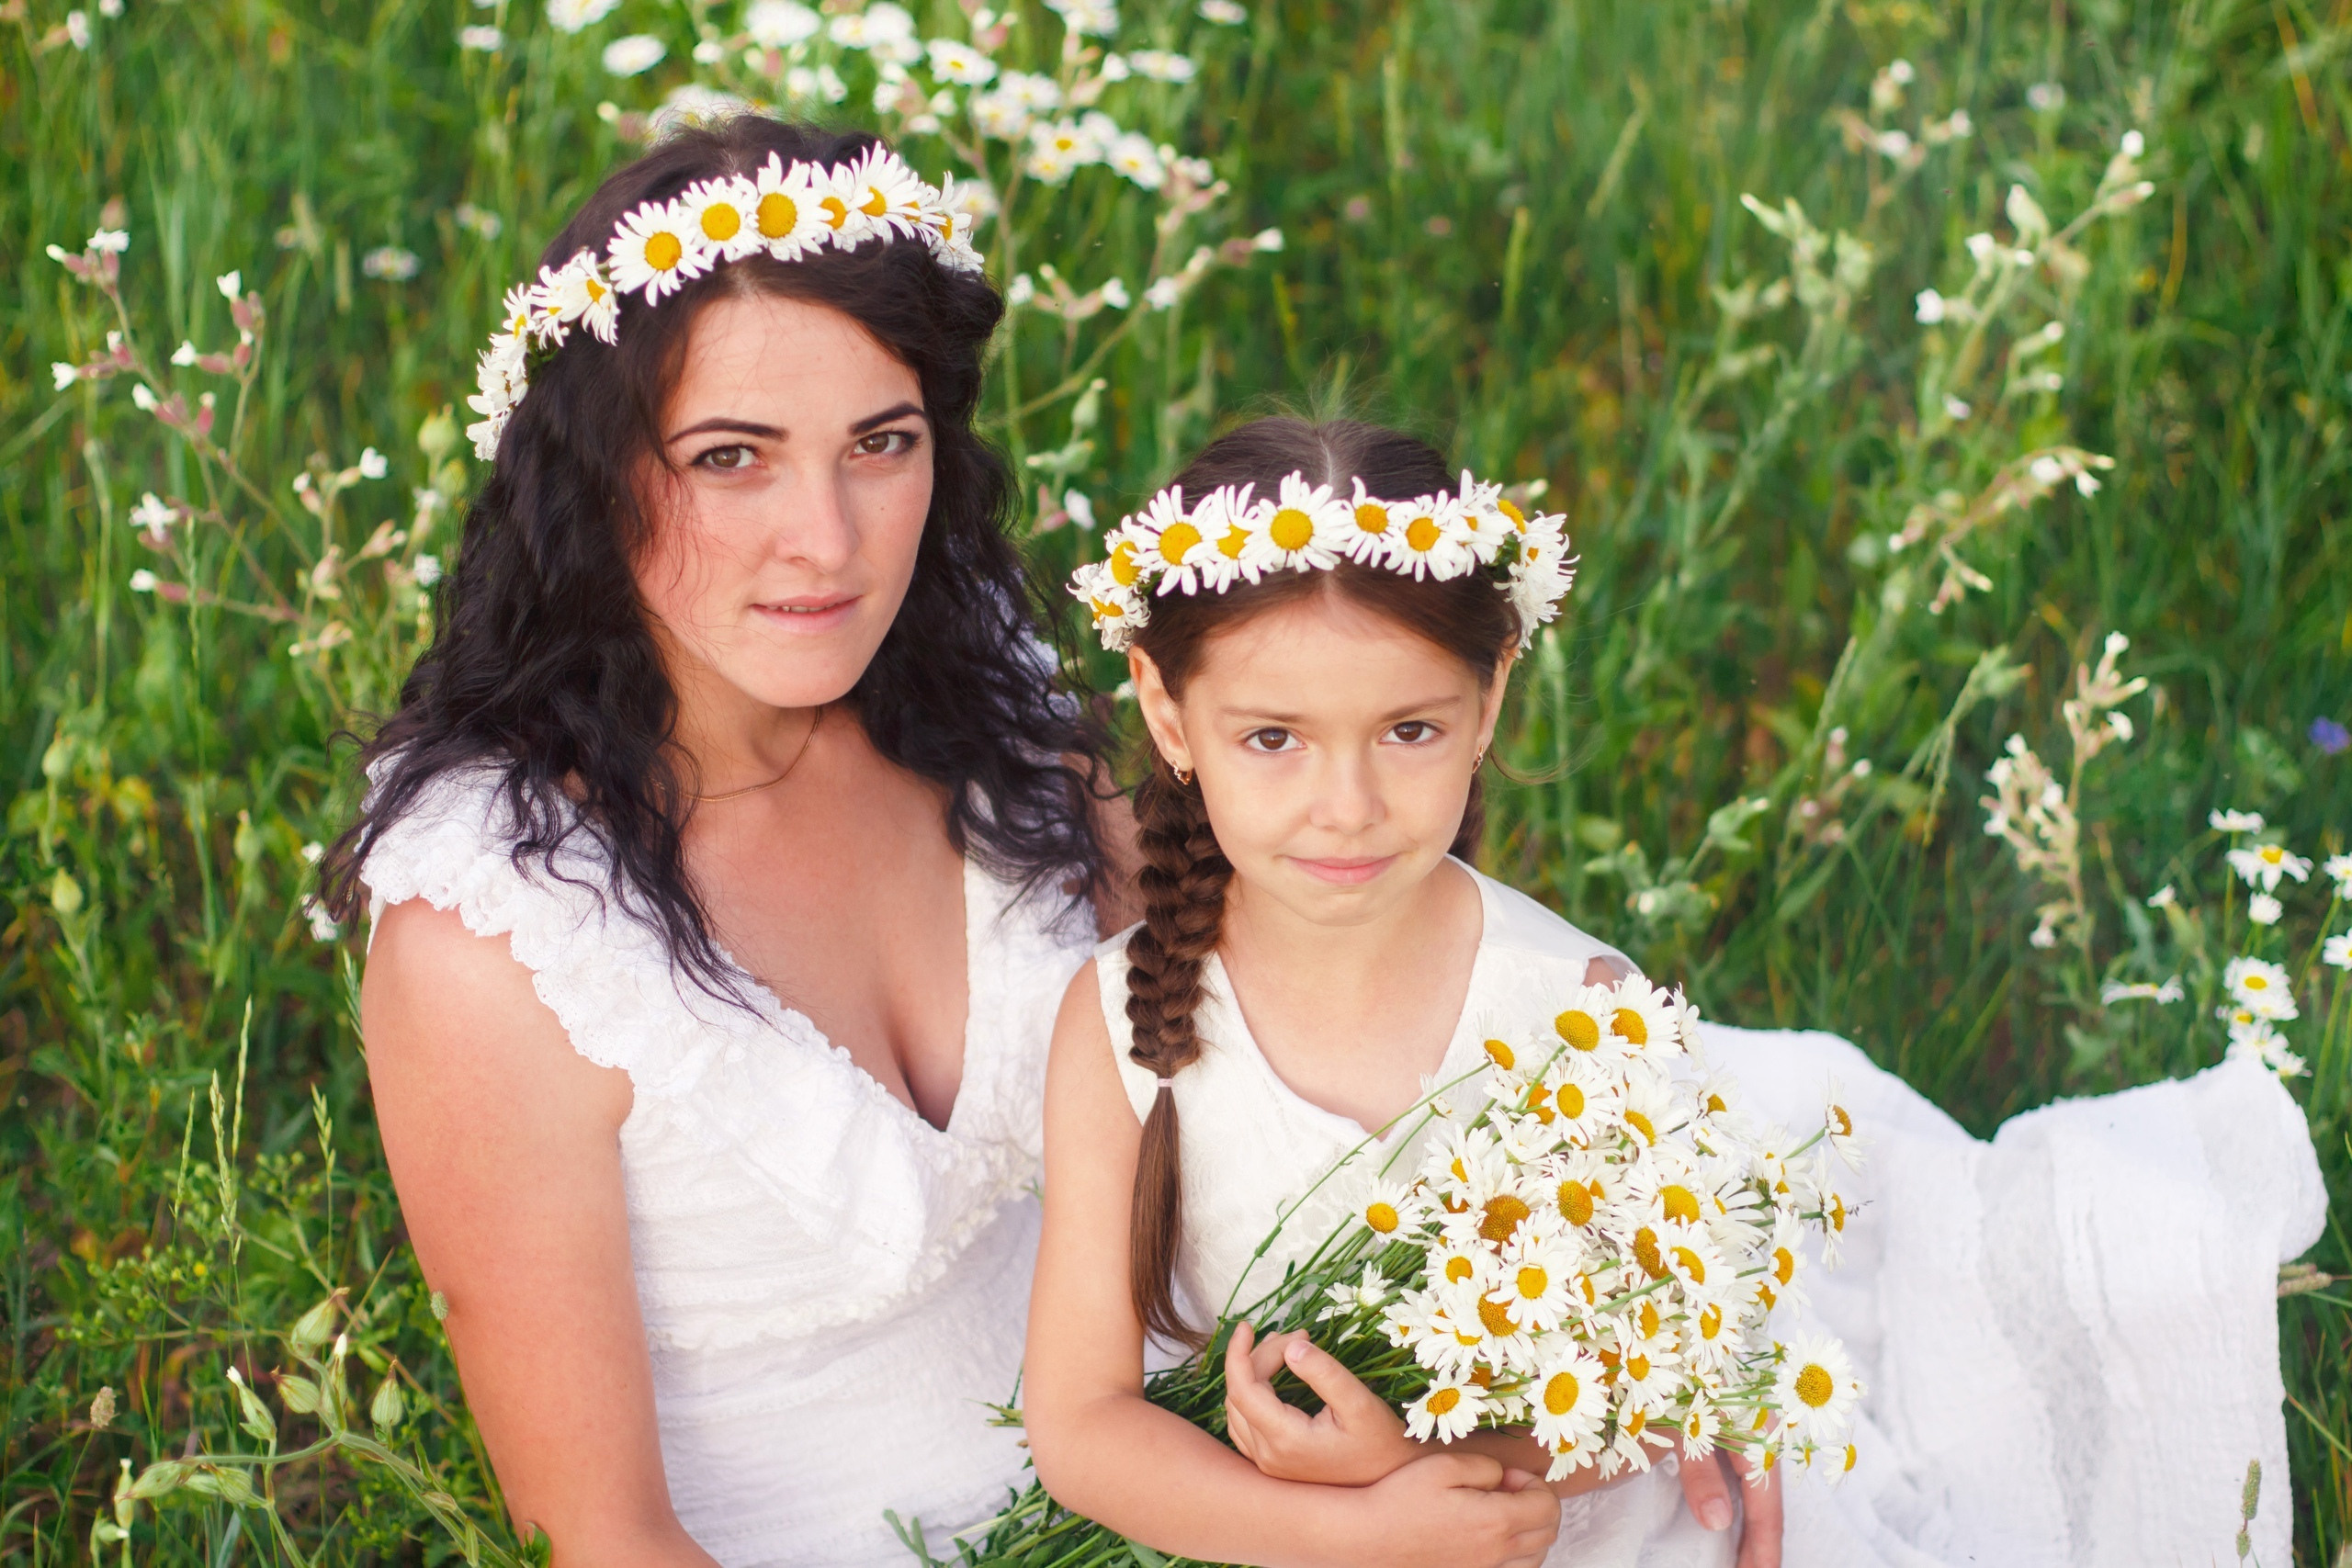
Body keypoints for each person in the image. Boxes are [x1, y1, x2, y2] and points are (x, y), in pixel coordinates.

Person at [322, 120, 1650, 1568]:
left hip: (1216, 1454)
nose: (826, 541)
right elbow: (597, 1538)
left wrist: (1623, 1379)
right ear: (590, 476)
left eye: (879, 445)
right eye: (730, 458)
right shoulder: (496, 933)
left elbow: (1339, 999)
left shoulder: (991, 732)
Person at [1023, 416, 2327, 1568]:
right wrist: (1347, 1528)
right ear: (1169, 711)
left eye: (1409, 730)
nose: (1348, 804)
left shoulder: (1574, 1008)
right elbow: (1081, 1422)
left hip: (1552, 1531)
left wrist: (1454, 1484)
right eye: (1274, 739)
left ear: (1489, 704)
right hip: (1264, 1526)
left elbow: (1656, 1378)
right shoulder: (1123, 1028)